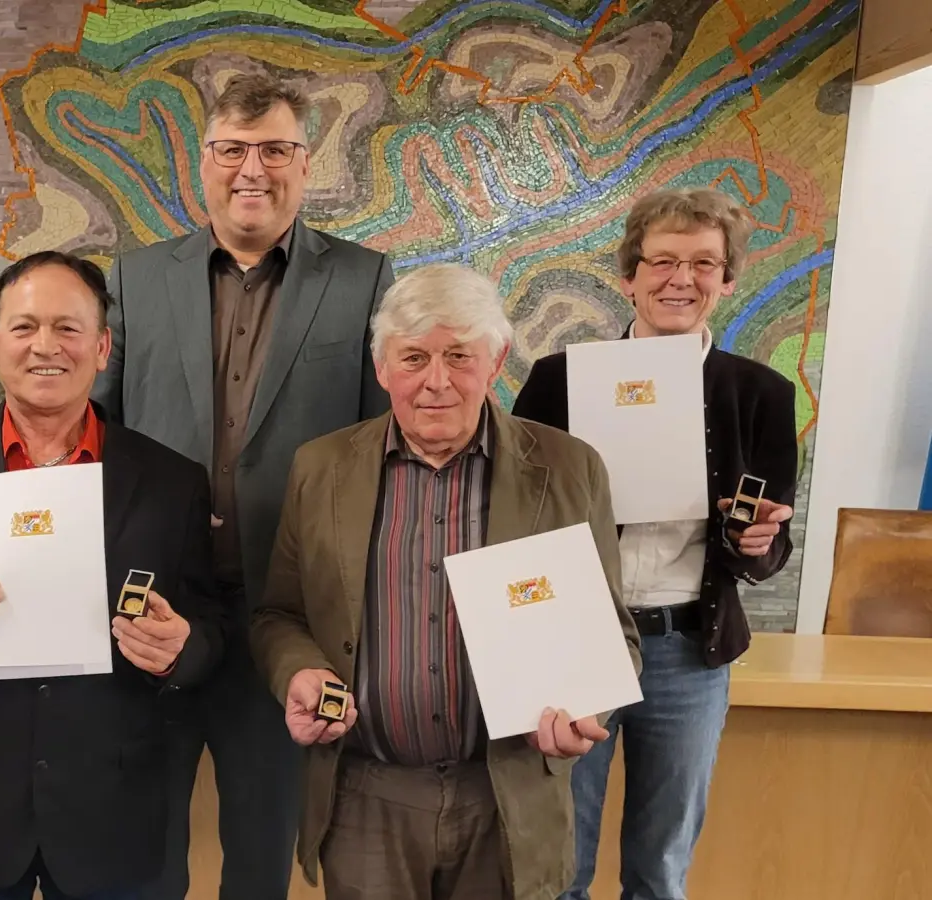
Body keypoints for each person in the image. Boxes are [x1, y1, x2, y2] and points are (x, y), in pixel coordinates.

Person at [90, 72, 395, 900]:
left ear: (305, 162)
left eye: (274, 148)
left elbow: (379, 453)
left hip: (283, 625)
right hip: (154, 615)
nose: (251, 168)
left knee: (261, 861)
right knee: (143, 858)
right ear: (204, 163)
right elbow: (97, 438)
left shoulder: (365, 281)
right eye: (231, 149)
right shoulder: (133, 281)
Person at [251, 263, 642, 900]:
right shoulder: (320, 469)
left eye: (459, 355)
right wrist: (298, 673)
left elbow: (613, 634)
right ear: (381, 369)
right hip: (366, 797)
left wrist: (588, 703)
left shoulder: (571, 471)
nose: (436, 382)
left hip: (508, 793)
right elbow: (279, 617)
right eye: (413, 358)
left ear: (497, 362)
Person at [0, 251, 226, 899]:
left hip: (116, 812)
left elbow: (213, 630)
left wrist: (182, 648)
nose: (46, 346)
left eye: (68, 328)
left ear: (101, 347)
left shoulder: (172, 481)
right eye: (25, 326)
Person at [512, 188, 798, 900]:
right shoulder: (559, 381)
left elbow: (770, 550)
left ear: (727, 280)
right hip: (576, 645)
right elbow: (511, 519)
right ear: (629, 275)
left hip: (688, 651)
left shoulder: (762, 393)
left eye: (704, 263)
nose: (682, 279)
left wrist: (760, 542)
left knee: (660, 868)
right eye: (663, 260)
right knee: (557, 865)